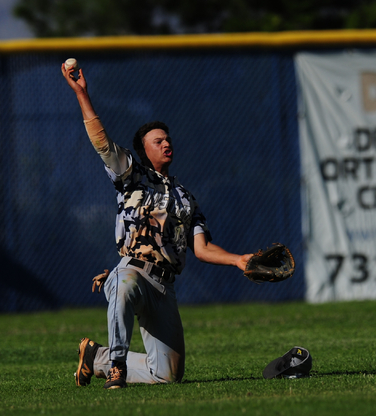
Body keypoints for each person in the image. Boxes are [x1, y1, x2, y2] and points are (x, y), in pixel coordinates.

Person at [62, 62, 253, 389]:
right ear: (142, 150)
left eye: (167, 139)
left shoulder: (186, 198)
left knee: (168, 376)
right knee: (123, 285)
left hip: (164, 287)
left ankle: (97, 357)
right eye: (158, 140)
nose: (166, 143)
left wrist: (238, 260)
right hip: (133, 271)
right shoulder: (131, 176)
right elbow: (102, 143)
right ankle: (117, 367)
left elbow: (202, 248)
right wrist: (82, 94)